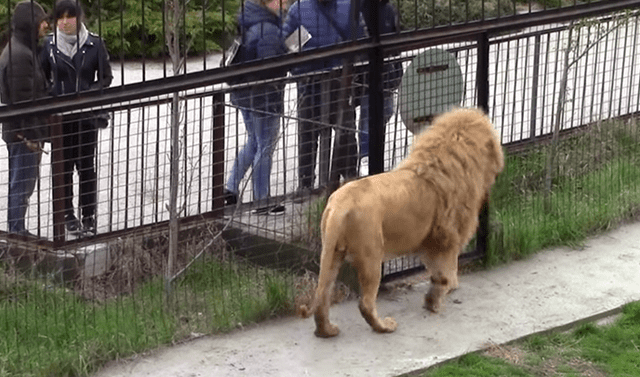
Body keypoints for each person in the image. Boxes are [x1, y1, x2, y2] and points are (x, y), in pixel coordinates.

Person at [41, 0, 113, 233]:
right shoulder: (48, 45)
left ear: (78, 18)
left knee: (86, 167)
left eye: (68, 17)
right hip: (61, 119)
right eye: (59, 18)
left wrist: (87, 94)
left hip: (85, 118)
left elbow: (106, 77)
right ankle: (66, 214)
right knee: (62, 168)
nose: (63, 22)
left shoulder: (94, 44)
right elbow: (41, 77)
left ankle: (88, 214)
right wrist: (53, 95)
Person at [282, 0, 367, 192]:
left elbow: (360, 41)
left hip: (337, 82)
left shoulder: (347, 6)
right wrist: (303, 72)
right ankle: (308, 183)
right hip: (314, 84)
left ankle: (347, 178)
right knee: (311, 133)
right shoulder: (299, 10)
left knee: (343, 130)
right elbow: (289, 49)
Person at [223, 0, 288, 215]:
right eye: (282, 1)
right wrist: (289, 53)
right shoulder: (267, 28)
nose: (285, 5)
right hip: (264, 97)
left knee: (254, 141)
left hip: (244, 94)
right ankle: (262, 200)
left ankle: (230, 187)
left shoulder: (248, 20)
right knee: (265, 147)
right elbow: (271, 65)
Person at [0, 0, 50, 237]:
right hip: (24, 134)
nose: (46, 26)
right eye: (41, 21)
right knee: (22, 183)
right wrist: (32, 135)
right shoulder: (20, 55)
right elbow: (23, 101)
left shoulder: (20, 49)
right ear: (30, 24)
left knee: (20, 182)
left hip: (21, 131)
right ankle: (17, 230)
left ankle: (16, 228)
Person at [358, 0, 402, 176]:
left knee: (385, 111)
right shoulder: (362, 7)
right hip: (367, 72)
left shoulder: (389, 8)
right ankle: (366, 157)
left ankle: (376, 154)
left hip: (387, 71)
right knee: (369, 116)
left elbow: (396, 38)